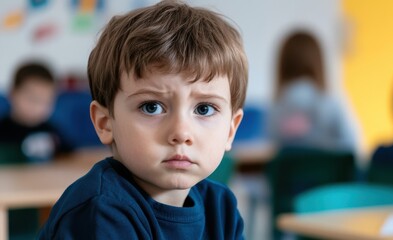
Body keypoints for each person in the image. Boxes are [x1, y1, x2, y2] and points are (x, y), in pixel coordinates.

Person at [38, 1, 247, 239]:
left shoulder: (221, 207)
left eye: (204, 109)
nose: (181, 132)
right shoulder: (101, 211)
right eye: (152, 107)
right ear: (105, 123)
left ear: (231, 130)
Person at [268, 30, 357, 152]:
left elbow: (271, 149)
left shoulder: (275, 109)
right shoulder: (333, 102)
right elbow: (353, 147)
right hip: (329, 170)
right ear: (319, 62)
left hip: (292, 171)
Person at [0, 61, 71, 163]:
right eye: (32, 99)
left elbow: (70, 156)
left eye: (46, 102)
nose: (38, 107)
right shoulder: (2, 130)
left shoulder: (52, 131)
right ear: (12, 94)